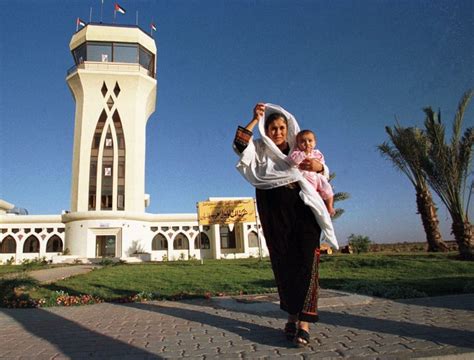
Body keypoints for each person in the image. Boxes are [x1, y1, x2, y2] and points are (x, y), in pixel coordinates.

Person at [233, 103, 338, 347]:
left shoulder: (299, 147)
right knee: (284, 264)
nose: (278, 132)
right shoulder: (259, 148)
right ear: (266, 129)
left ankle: (305, 323)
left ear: (287, 128)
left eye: (282, 127)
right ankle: (291, 317)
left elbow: (324, 173)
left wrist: (320, 167)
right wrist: (253, 119)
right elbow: (239, 145)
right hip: (274, 214)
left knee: (307, 262)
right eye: (272, 128)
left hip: (303, 212)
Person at [287, 129, 336, 216]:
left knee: (327, 188)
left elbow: (322, 165)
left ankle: (330, 206)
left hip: (317, 177)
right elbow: (293, 161)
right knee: (310, 194)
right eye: (302, 141)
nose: (307, 143)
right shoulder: (297, 153)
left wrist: (320, 167)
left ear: (315, 143)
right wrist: (304, 153)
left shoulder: (317, 153)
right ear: (297, 144)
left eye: (310, 141)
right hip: (306, 177)